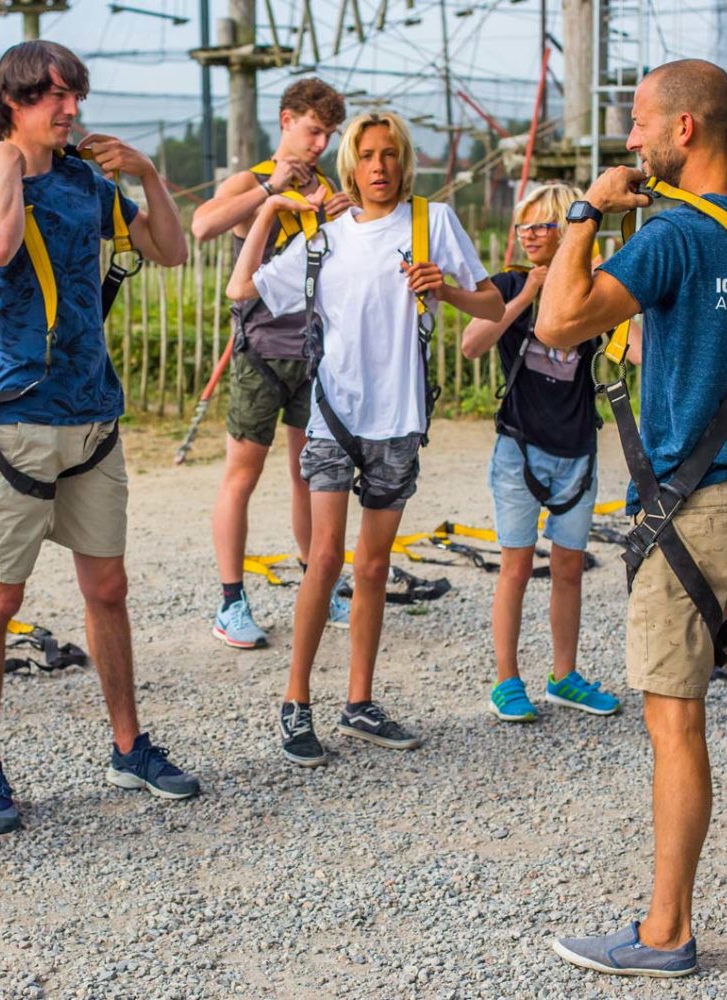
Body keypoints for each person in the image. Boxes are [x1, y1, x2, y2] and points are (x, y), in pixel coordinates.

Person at [537, 60, 727, 977]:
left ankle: (666, 933)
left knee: (675, 724)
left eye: (640, 121)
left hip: (692, 509)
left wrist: (584, 214)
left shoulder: (674, 234)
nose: (630, 138)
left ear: (685, 129)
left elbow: (560, 323)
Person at [0, 41, 198, 834]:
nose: (71, 109)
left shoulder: (89, 183)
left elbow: (170, 250)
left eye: (76, 95)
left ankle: (129, 746)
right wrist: (10, 164)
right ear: (13, 101)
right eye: (55, 95)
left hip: (93, 412)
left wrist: (147, 175)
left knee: (108, 589)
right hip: (17, 417)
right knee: (0, 598)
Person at [227, 111, 503, 766]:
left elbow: (492, 304)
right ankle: (296, 702)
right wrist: (270, 210)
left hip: (398, 421)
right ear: (351, 165)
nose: (379, 166)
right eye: (368, 155)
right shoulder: (324, 239)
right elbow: (242, 290)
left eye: (390, 153)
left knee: (374, 566)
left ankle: (359, 702)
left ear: (404, 161)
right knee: (324, 559)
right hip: (333, 418)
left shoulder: (431, 222)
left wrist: (447, 292)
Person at [192, 79, 350, 649]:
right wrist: (271, 190)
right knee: (242, 476)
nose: (320, 144)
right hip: (260, 353)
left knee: (310, 475)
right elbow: (202, 226)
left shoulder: (328, 187)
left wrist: (345, 218)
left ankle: (320, 585)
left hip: (314, 353)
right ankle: (231, 601)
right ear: (287, 121)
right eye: (313, 131)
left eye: (328, 135)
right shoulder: (252, 179)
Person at [462, 183, 620, 723]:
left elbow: (634, 345)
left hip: (577, 448)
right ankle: (506, 680)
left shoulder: (591, 290)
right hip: (519, 448)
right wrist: (526, 294)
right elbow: (472, 344)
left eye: (541, 226)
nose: (528, 235)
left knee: (569, 567)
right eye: (522, 226)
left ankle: (564, 676)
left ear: (568, 230)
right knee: (516, 565)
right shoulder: (508, 284)